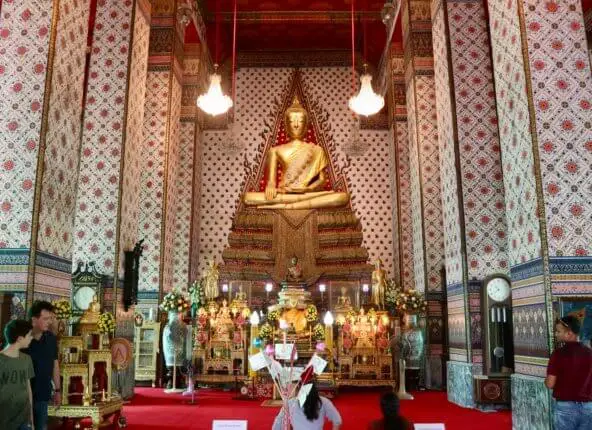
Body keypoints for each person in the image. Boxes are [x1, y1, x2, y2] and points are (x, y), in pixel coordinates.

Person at [545, 316, 592, 430]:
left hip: (566, 407)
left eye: (558, 331)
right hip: (588, 407)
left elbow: (550, 384)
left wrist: (545, 381)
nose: (556, 334)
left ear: (569, 333)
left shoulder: (558, 354)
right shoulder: (589, 353)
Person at [24, 301, 61, 430]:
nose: (49, 322)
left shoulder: (51, 339)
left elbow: (55, 364)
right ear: (34, 320)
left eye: (50, 318)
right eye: (45, 319)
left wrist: (57, 390)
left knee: (41, 426)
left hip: (43, 395)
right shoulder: (22, 340)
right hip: (22, 397)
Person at [1, 319, 36, 430]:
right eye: (29, 335)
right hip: (4, 420)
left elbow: (28, 388)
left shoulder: (26, 359)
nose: (31, 338)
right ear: (20, 338)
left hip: (24, 419)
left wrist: (31, 418)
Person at [272, 381, 342, 430]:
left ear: (299, 389)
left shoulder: (291, 402)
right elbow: (337, 420)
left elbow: (277, 425)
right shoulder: (324, 401)